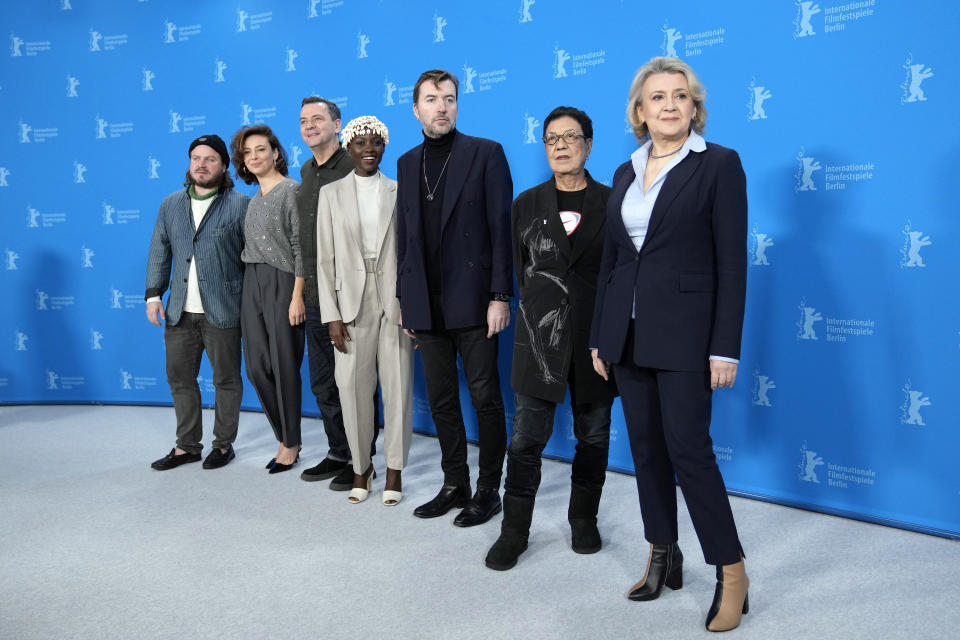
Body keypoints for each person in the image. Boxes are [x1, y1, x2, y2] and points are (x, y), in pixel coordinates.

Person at [590, 57, 750, 632]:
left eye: (679, 96)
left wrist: (724, 348)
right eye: (657, 97)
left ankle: (731, 572)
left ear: (693, 106)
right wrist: (601, 337)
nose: (669, 105)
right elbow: (612, 262)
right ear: (639, 110)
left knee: (689, 450)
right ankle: (662, 554)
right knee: (646, 451)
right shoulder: (625, 171)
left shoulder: (719, 165)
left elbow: (732, 264)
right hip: (627, 336)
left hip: (687, 336)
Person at [484, 107, 615, 571]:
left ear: (589, 144)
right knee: (525, 440)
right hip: (539, 340)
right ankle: (513, 532)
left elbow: (620, 274)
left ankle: (584, 519)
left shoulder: (614, 201)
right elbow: (522, 270)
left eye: (570, 136)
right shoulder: (527, 204)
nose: (560, 145)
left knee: (594, 436)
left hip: (598, 342)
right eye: (551, 139)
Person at [395, 69, 513, 527]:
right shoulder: (407, 164)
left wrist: (500, 295)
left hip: (474, 299)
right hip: (426, 302)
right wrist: (407, 300)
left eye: (448, 98)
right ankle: (454, 484)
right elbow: (405, 239)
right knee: (442, 398)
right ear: (416, 108)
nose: (441, 106)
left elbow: (501, 231)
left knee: (485, 396)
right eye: (431, 99)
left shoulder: (485, 154)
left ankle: (488, 490)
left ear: (457, 105)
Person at [316, 115, 413, 505]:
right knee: (351, 389)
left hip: (396, 302)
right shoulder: (331, 194)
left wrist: (417, 312)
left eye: (376, 143)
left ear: (384, 147)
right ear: (348, 148)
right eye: (360, 143)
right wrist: (332, 314)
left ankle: (394, 470)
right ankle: (361, 467)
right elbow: (324, 258)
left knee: (398, 389)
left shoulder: (399, 190)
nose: (368, 149)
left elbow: (413, 254)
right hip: (349, 304)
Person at [146, 134, 249, 471]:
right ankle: (187, 446)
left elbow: (250, 260)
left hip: (223, 311)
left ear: (223, 166)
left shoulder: (239, 204)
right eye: (196, 159)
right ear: (189, 165)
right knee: (179, 379)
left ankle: (223, 446)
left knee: (226, 380)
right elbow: (160, 252)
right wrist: (153, 295)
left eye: (210, 159)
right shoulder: (170, 203)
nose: (202, 165)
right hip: (179, 313)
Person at [295, 96, 381, 491]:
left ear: (338, 124)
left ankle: (363, 458)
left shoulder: (357, 164)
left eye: (318, 118)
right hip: (316, 292)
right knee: (324, 381)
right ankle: (338, 452)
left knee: (356, 380)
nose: (310, 125)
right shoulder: (306, 172)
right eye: (303, 121)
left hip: (354, 293)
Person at [230, 125, 306, 474]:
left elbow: (300, 246)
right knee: (257, 367)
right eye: (248, 153)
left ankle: (289, 443)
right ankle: (285, 433)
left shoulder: (291, 191)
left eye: (261, 149)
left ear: (276, 152)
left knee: (284, 364)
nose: (255, 157)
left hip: (284, 281)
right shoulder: (253, 199)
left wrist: (297, 296)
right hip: (252, 281)